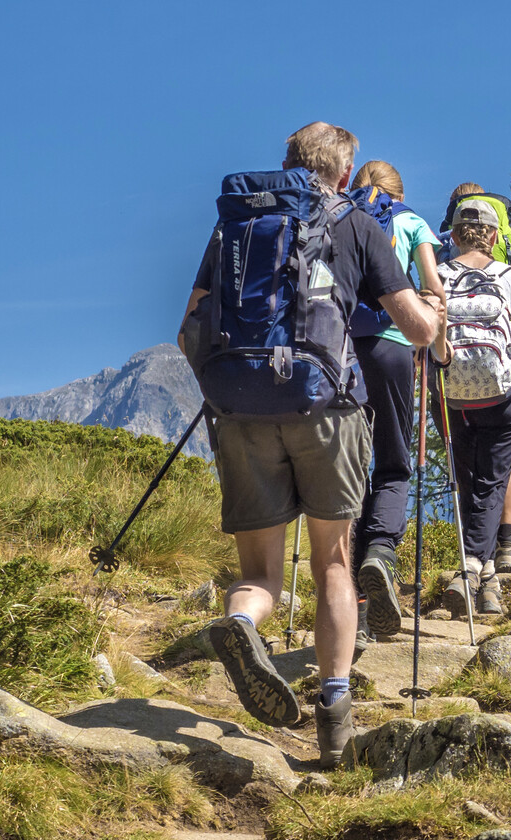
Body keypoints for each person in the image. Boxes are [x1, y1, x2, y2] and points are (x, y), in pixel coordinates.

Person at [177, 123, 445, 768]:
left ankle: (242, 624)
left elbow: (189, 329)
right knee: (333, 564)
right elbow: (416, 330)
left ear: (288, 161)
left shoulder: (235, 226)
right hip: (327, 407)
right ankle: (334, 716)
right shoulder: (358, 224)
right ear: (347, 174)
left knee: (259, 575)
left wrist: (230, 391)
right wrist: (436, 309)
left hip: (240, 411)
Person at [346, 160, 443, 640]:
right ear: (398, 193)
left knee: (347, 472)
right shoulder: (411, 221)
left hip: (340, 353)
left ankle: (354, 602)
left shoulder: (340, 216)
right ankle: (381, 553)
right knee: (393, 463)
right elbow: (434, 288)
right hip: (393, 347)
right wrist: (438, 345)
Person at [431, 195, 511, 615]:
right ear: (493, 237)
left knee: (469, 479)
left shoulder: (437, 276)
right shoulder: (510, 278)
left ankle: (485, 579)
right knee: (493, 482)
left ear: (454, 236)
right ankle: (474, 568)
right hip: (502, 395)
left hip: (453, 394)